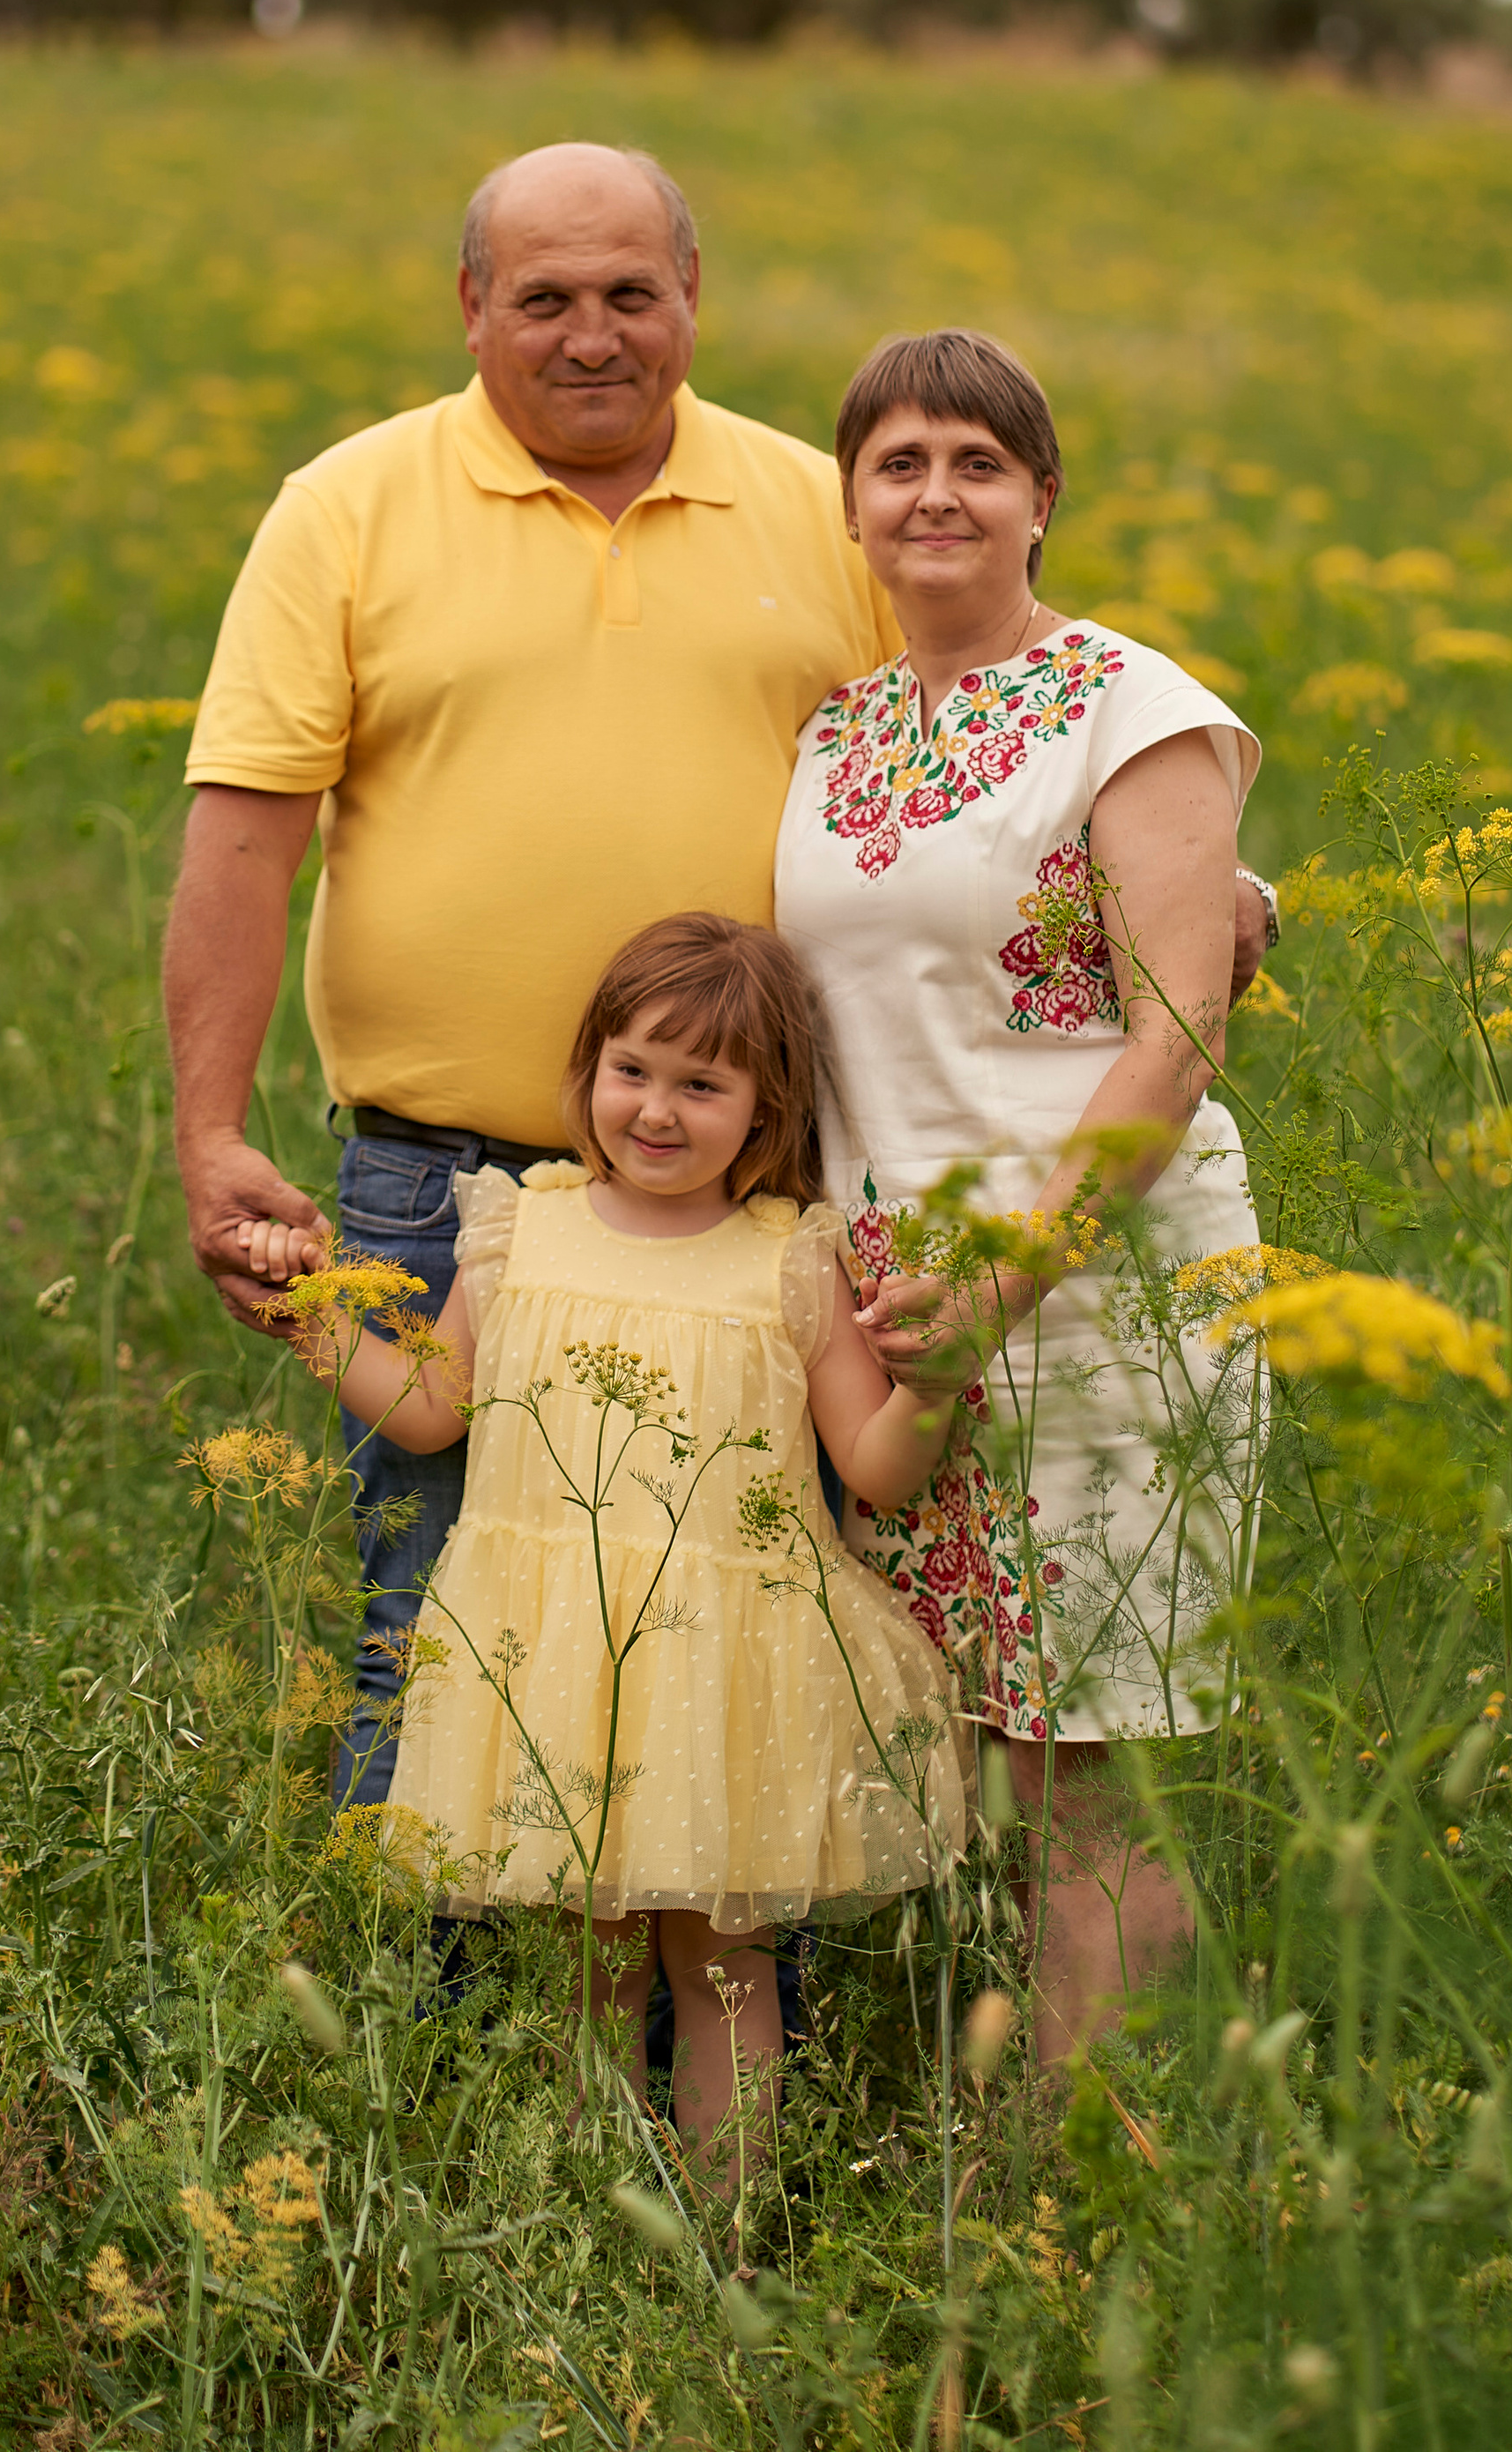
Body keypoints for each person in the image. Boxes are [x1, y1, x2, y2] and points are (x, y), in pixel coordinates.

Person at [166, 142, 1275, 1806]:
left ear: (694, 300)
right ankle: (440, 2052)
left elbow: (996, 697)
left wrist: (1215, 883)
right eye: (544, 298)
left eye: (632, 293)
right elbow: (247, 835)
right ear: (472, 310)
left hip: (762, 1202)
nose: (591, 333)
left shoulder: (805, 504)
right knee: (443, 1633)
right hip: (442, 1178)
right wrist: (208, 1128)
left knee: (749, 1642)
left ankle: (747, 2044)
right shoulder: (348, 506)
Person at [774, 328, 1270, 2068]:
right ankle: (990, 2148)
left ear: (1039, 499)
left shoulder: (1140, 711)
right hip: (897, 1311)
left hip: (1097, 1293)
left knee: (1088, 1781)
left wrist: (1006, 1276)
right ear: (849, 503)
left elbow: (1178, 1026)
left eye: (975, 463)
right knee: (962, 1748)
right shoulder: (834, 731)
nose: (934, 494)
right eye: (897, 462)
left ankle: (1088, 2206)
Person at [287, 913, 968, 2163]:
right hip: (550, 1666)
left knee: (722, 1967)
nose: (657, 1111)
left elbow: (872, 1463)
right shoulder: (515, 1232)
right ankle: (592, 2229)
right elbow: (433, 1413)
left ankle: (731, 2235)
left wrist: (931, 1390)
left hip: (722, 1673)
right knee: (587, 1965)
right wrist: (313, 1320)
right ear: (588, 1073)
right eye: (632, 1071)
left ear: (764, 1115)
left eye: (702, 1085)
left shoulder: (791, 1259)